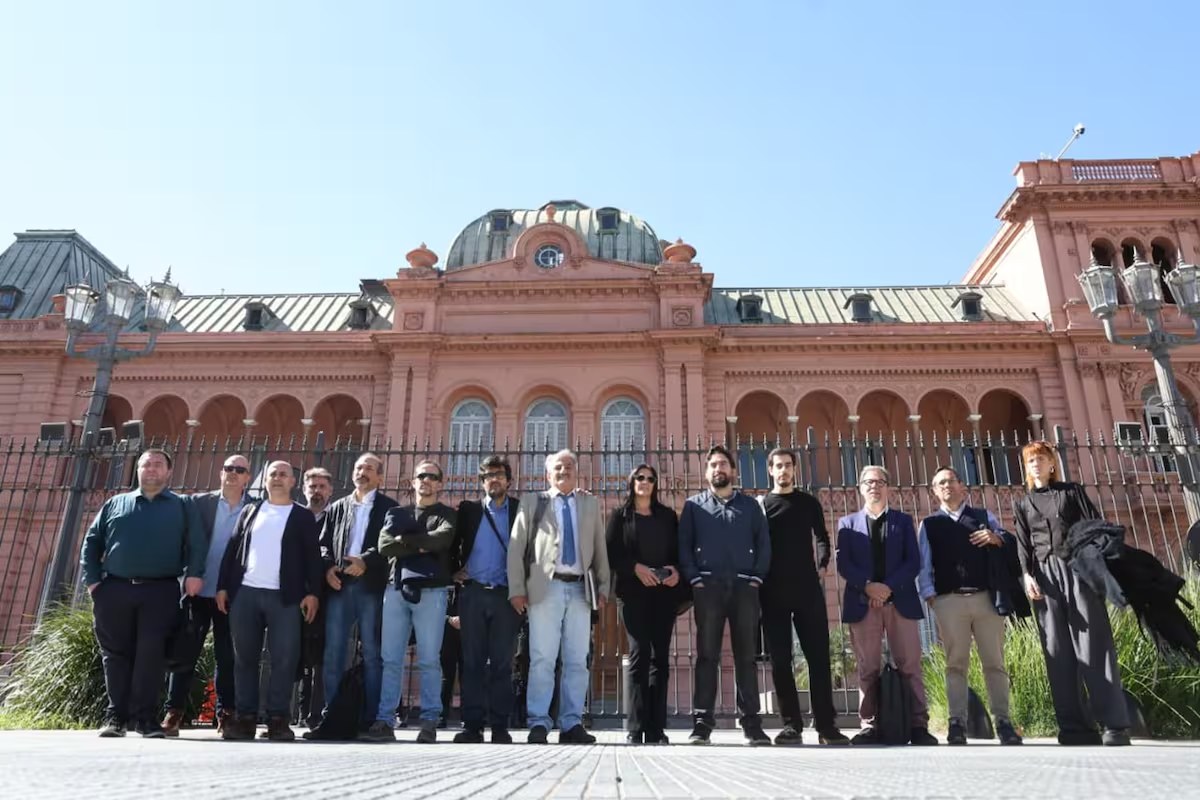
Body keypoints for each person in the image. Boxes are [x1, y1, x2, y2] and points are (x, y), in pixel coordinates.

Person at [81, 448, 206, 738]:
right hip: (114, 589)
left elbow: (197, 544)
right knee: (114, 654)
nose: (151, 469)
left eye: (158, 465)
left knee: (151, 655)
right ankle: (116, 718)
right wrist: (93, 582)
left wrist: (195, 574)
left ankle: (145, 719)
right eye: (146, 464)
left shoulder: (182, 505)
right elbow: (92, 543)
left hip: (160, 590)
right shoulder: (116, 503)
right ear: (137, 470)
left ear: (168, 472)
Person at [1013, 441, 1131, 746]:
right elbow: (1023, 543)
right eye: (1030, 461)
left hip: (1076, 569)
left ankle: (1114, 725)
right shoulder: (1023, 503)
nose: (1035, 465)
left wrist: (1091, 563)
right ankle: (1075, 727)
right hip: (1044, 575)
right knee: (1057, 649)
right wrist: (1027, 575)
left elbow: (1094, 526)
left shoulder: (1071, 491)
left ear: (1052, 464)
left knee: (1092, 642)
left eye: (1040, 459)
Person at [507, 449, 610, 745]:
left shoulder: (589, 502)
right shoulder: (533, 501)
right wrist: (517, 589)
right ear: (547, 474)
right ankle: (539, 721)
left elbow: (599, 546)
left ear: (577, 472)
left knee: (578, 659)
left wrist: (603, 587)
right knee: (542, 658)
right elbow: (516, 548)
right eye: (557, 468)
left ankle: (571, 723)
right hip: (545, 588)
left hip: (580, 589)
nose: (563, 471)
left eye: (568, 467)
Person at [216, 461, 322, 741]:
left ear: (292, 483)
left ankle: (277, 719)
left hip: (285, 596)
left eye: (283, 474)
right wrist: (223, 587)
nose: (277, 478)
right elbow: (233, 548)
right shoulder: (251, 511)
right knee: (244, 658)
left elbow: (313, 557)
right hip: (246, 593)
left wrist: (313, 593)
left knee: (285, 659)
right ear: (264, 481)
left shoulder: (301, 516)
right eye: (273, 474)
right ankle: (245, 718)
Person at [917, 465, 1023, 746]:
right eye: (940, 483)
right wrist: (931, 596)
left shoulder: (982, 517)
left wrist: (995, 537)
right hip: (949, 601)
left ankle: (1004, 721)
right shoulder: (929, 525)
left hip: (985, 598)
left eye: (950, 480)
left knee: (995, 663)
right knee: (955, 663)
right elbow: (924, 564)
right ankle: (957, 723)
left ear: (962, 486)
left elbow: (1008, 541)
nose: (946, 486)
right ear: (934, 491)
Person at [836, 464, 937, 746]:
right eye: (868, 482)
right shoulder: (847, 523)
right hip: (862, 603)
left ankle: (918, 725)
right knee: (867, 667)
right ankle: (869, 725)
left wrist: (887, 587)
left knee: (910, 665)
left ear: (888, 488)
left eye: (879, 481)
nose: (874, 486)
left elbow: (913, 562)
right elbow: (844, 563)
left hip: (899, 602)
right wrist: (869, 586)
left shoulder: (904, 522)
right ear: (860, 488)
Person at [678, 444, 772, 746]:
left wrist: (756, 578)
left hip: (745, 588)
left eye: (723, 464)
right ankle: (702, 724)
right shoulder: (694, 506)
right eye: (713, 465)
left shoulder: (750, 506)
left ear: (733, 470)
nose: (718, 469)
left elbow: (764, 543)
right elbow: (684, 546)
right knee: (707, 656)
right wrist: (694, 578)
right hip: (708, 589)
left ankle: (752, 725)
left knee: (746, 657)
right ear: (707, 472)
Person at [757, 448, 849, 746]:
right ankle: (791, 725)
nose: (783, 470)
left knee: (818, 658)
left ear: (794, 469)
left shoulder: (808, 503)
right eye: (778, 466)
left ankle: (826, 726)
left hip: (807, 588)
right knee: (781, 660)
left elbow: (822, 537)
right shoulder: (762, 505)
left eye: (787, 465)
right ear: (770, 470)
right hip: (772, 590)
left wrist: (822, 566)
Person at [161, 454, 251, 736]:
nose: (233, 473)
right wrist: (187, 574)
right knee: (185, 652)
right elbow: (181, 540)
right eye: (228, 468)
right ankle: (173, 713)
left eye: (240, 470)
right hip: (196, 590)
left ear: (248, 477)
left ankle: (226, 715)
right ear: (220, 473)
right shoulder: (199, 503)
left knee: (227, 657)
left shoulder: (254, 509)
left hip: (231, 596)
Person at [368, 460, 456, 743]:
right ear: (413, 482)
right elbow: (384, 546)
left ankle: (430, 720)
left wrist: (407, 542)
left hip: (432, 591)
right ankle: (385, 719)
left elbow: (441, 541)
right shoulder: (397, 512)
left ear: (440, 484)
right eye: (421, 476)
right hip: (395, 588)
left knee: (430, 658)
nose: (426, 480)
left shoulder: (447, 515)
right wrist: (421, 544)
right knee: (391, 658)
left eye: (432, 476)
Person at [317, 453, 397, 733]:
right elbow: (324, 544)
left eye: (369, 469)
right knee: (334, 652)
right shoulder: (338, 506)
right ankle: (332, 716)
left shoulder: (390, 508)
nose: (362, 472)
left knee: (373, 653)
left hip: (370, 587)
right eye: (359, 467)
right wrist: (328, 568)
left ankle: (370, 719)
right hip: (339, 585)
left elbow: (389, 545)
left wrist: (365, 560)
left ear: (379, 477)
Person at [605, 463, 682, 745]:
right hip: (633, 594)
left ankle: (656, 728)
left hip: (663, 594)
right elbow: (611, 554)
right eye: (640, 478)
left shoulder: (667, 516)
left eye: (650, 478)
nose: (645, 482)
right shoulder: (620, 516)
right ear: (631, 482)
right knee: (639, 655)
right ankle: (636, 727)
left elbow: (678, 552)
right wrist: (635, 568)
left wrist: (675, 571)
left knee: (660, 658)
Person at [450, 456, 522, 743]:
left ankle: (500, 726)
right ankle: (472, 725)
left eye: (499, 474)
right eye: (488, 475)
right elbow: (451, 544)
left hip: (507, 595)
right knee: (472, 662)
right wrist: (452, 572)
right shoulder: (469, 511)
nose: (494, 479)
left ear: (508, 480)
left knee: (503, 663)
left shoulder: (521, 510)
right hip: (474, 593)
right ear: (482, 482)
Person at [296, 467, 333, 730]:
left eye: (322, 487)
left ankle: (315, 713)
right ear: (304, 489)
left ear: (330, 490)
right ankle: (289, 714)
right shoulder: (294, 516)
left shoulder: (335, 517)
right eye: (313, 486)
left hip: (326, 596)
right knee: (292, 655)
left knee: (319, 657)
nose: (317, 491)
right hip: (292, 596)